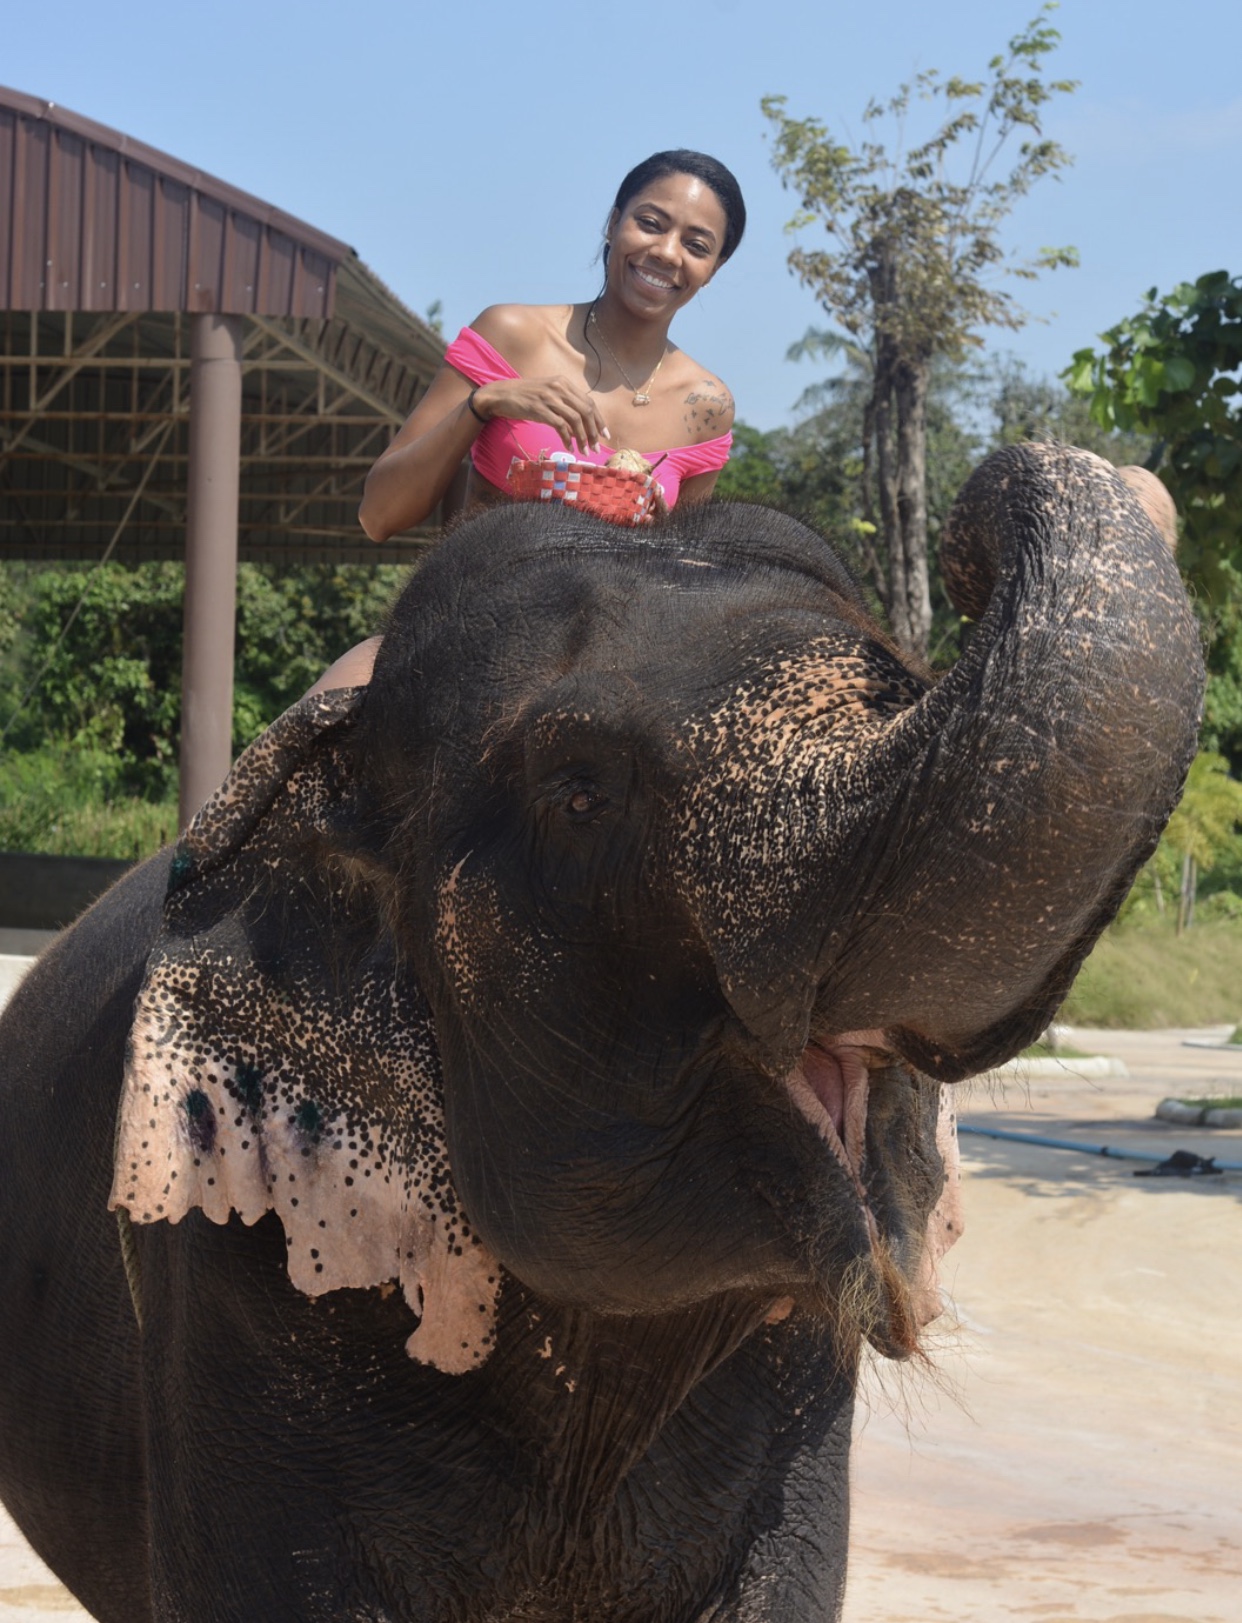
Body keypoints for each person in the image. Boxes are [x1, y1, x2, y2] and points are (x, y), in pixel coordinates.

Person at [311, 152, 746, 695]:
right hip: (462, 640)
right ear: (613, 223)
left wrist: (661, 544)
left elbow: (686, 590)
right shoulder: (511, 333)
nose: (666, 251)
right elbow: (379, 515)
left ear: (713, 269)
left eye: (696, 245)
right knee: (309, 732)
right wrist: (483, 404)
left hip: (608, 674)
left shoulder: (706, 407)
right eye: (650, 223)